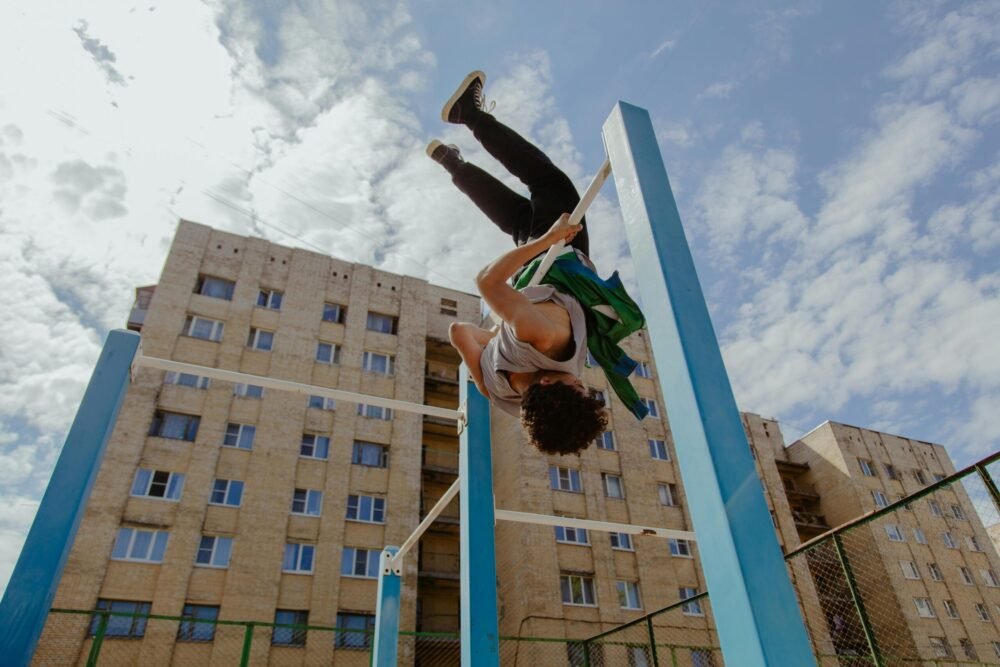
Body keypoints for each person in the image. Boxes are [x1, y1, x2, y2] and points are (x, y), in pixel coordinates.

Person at [428, 71, 646, 456]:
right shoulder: (503, 396)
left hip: (556, 258)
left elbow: (488, 282)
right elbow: (460, 331)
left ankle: (470, 115)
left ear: (548, 386)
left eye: (578, 386)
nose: (581, 380)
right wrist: (496, 344)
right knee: (517, 219)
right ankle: (452, 163)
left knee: (548, 182)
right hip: (534, 271)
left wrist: (550, 241)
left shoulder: (547, 340)